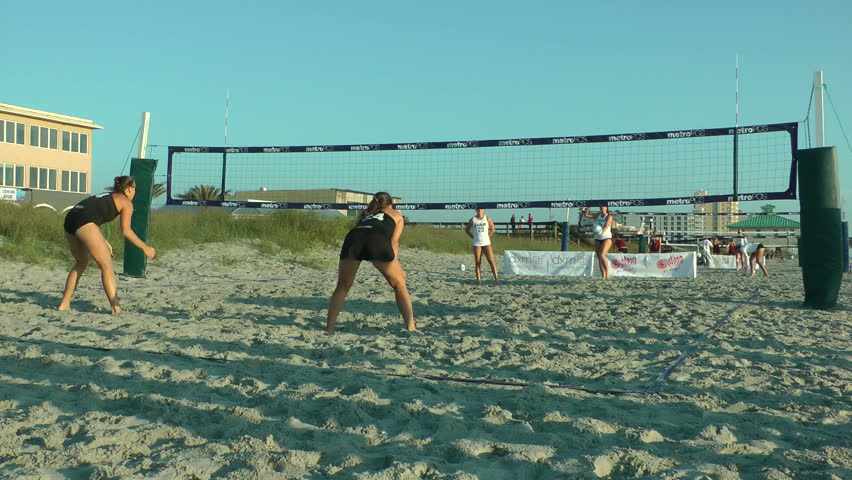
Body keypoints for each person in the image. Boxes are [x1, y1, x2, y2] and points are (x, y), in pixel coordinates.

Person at [58, 176, 156, 314]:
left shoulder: (108, 196)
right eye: (134, 189)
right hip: (84, 222)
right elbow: (126, 231)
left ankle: (64, 304)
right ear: (129, 189)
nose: (135, 192)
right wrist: (144, 248)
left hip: (71, 218)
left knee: (81, 263)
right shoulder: (126, 203)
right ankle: (116, 308)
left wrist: (103, 241)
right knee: (107, 266)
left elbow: (91, 215)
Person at [326, 192, 415, 334]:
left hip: (353, 239)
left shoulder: (367, 214)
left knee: (342, 286)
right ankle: (411, 326)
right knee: (399, 284)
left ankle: (329, 328)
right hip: (376, 240)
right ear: (390, 204)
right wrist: (396, 265)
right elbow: (394, 242)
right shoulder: (396, 214)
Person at [464, 208, 499, 285]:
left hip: (486, 243)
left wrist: (487, 236)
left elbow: (493, 229)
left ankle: (496, 280)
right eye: (478, 209)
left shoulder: (487, 219)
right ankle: (479, 281)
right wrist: (473, 237)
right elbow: (467, 230)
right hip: (477, 243)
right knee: (478, 262)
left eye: (481, 209)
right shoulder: (473, 219)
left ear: (484, 210)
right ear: (476, 210)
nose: (479, 210)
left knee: (491, 261)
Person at [581, 206, 613, 279]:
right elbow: (586, 215)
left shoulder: (609, 216)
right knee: (599, 257)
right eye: (601, 206)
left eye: (603, 206)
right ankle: (603, 275)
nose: (602, 208)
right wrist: (588, 208)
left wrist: (602, 232)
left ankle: (607, 273)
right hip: (598, 238)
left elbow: (606, 225)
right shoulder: (598, 215)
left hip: (606, 238)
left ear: (606, 208)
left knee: (602, 254)